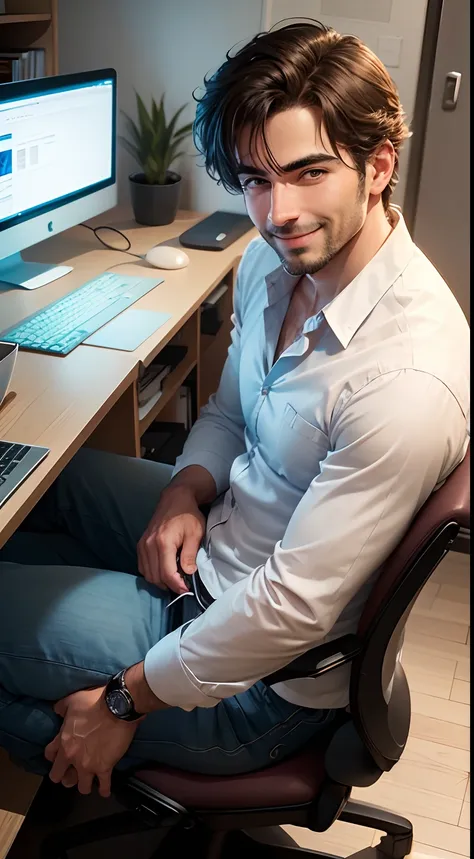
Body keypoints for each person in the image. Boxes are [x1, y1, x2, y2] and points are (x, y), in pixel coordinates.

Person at [0, 21, 469, 800]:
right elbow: (226, 409)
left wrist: (125, 697)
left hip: (259, 683)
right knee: (47, 480)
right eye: (255, 178)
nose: (277, 210)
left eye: (309, 171)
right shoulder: (271, 261)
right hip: (222, 549)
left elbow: (289, 610)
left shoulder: (405, 379)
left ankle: (64, 730)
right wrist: (186, 489)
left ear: (377, 165)